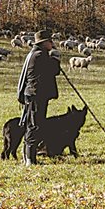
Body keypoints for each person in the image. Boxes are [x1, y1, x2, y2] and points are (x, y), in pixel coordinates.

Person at [17, 30, 61, 166]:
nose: (52, 44)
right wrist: (55, 58)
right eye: (50, 41)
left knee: (34, 124)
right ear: (44, 43)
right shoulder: (40, 56)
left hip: (33, 94)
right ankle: (30, 159)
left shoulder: (34, 54)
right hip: (37, 95)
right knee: (34, 125)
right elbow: (54, 70)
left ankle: (30, 156)